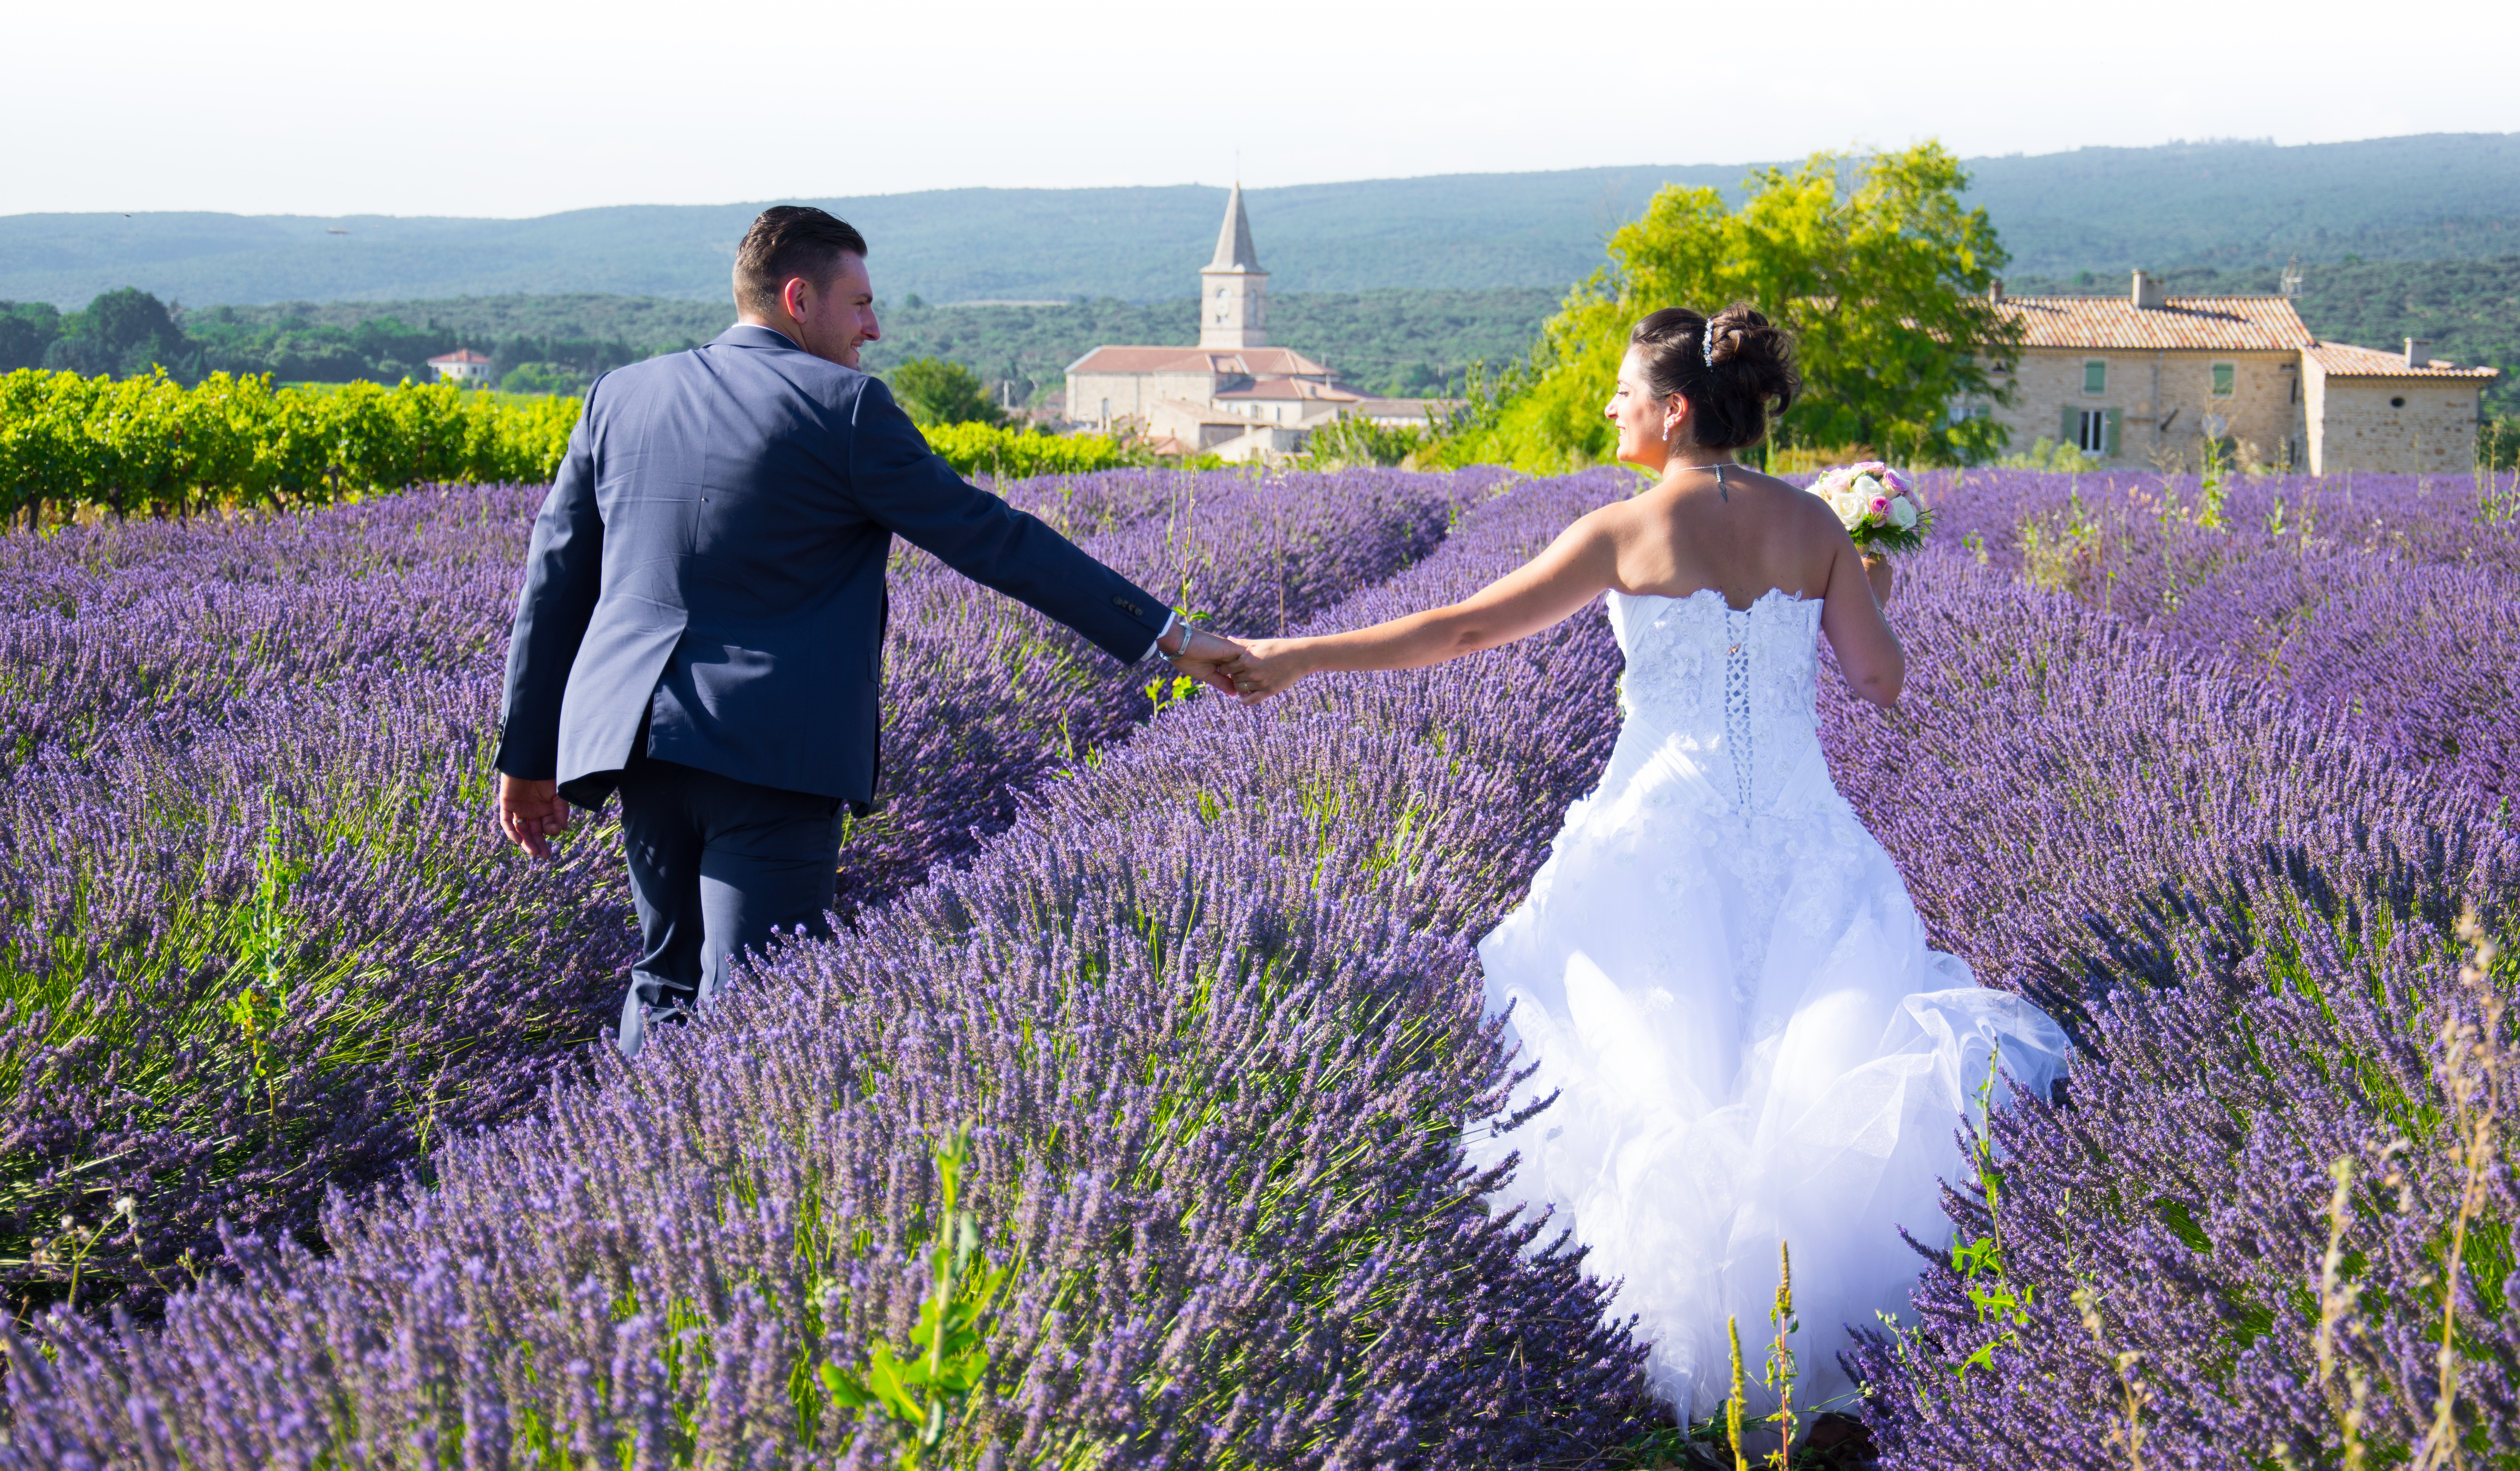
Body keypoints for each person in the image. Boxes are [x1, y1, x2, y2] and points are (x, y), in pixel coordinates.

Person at [1217, 305, 2068, 1421]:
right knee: (1801, 1070)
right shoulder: (1814, 526)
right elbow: (1879, 682)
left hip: (1657, 836)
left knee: (1645, 1072)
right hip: (1803, 838)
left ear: (1674, 412)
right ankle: (1816, 1354)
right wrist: (1873, 579)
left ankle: (1645, 1360)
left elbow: (1466, 630)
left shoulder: (1624, 530)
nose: (1611, 407)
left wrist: (1294, 655)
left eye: (1625, 393)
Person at [493, 205, 1243, 1054]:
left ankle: (620, 1177)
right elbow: (994, 538)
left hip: (635, 742)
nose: (875, 328)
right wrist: (1169, 636)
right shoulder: (844, 407)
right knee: (759, 1008)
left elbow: (553, 579)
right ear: (798, 297)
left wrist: (527, 759)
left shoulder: (619, 395)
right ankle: (719, 1181)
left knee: (666, 978)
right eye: (859, 304)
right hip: (771, 748)